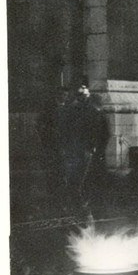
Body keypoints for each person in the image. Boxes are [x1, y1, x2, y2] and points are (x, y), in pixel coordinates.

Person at [55, 82, 107, 220]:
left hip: (83, 148)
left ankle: (78, 203)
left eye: (85, 96)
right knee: (75, 176)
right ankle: (76, 203)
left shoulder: (88, 111)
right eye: (80, 96)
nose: (83, 99)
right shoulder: (74, 110)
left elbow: (94, 131)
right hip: (77, 148)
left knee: (80, 176)